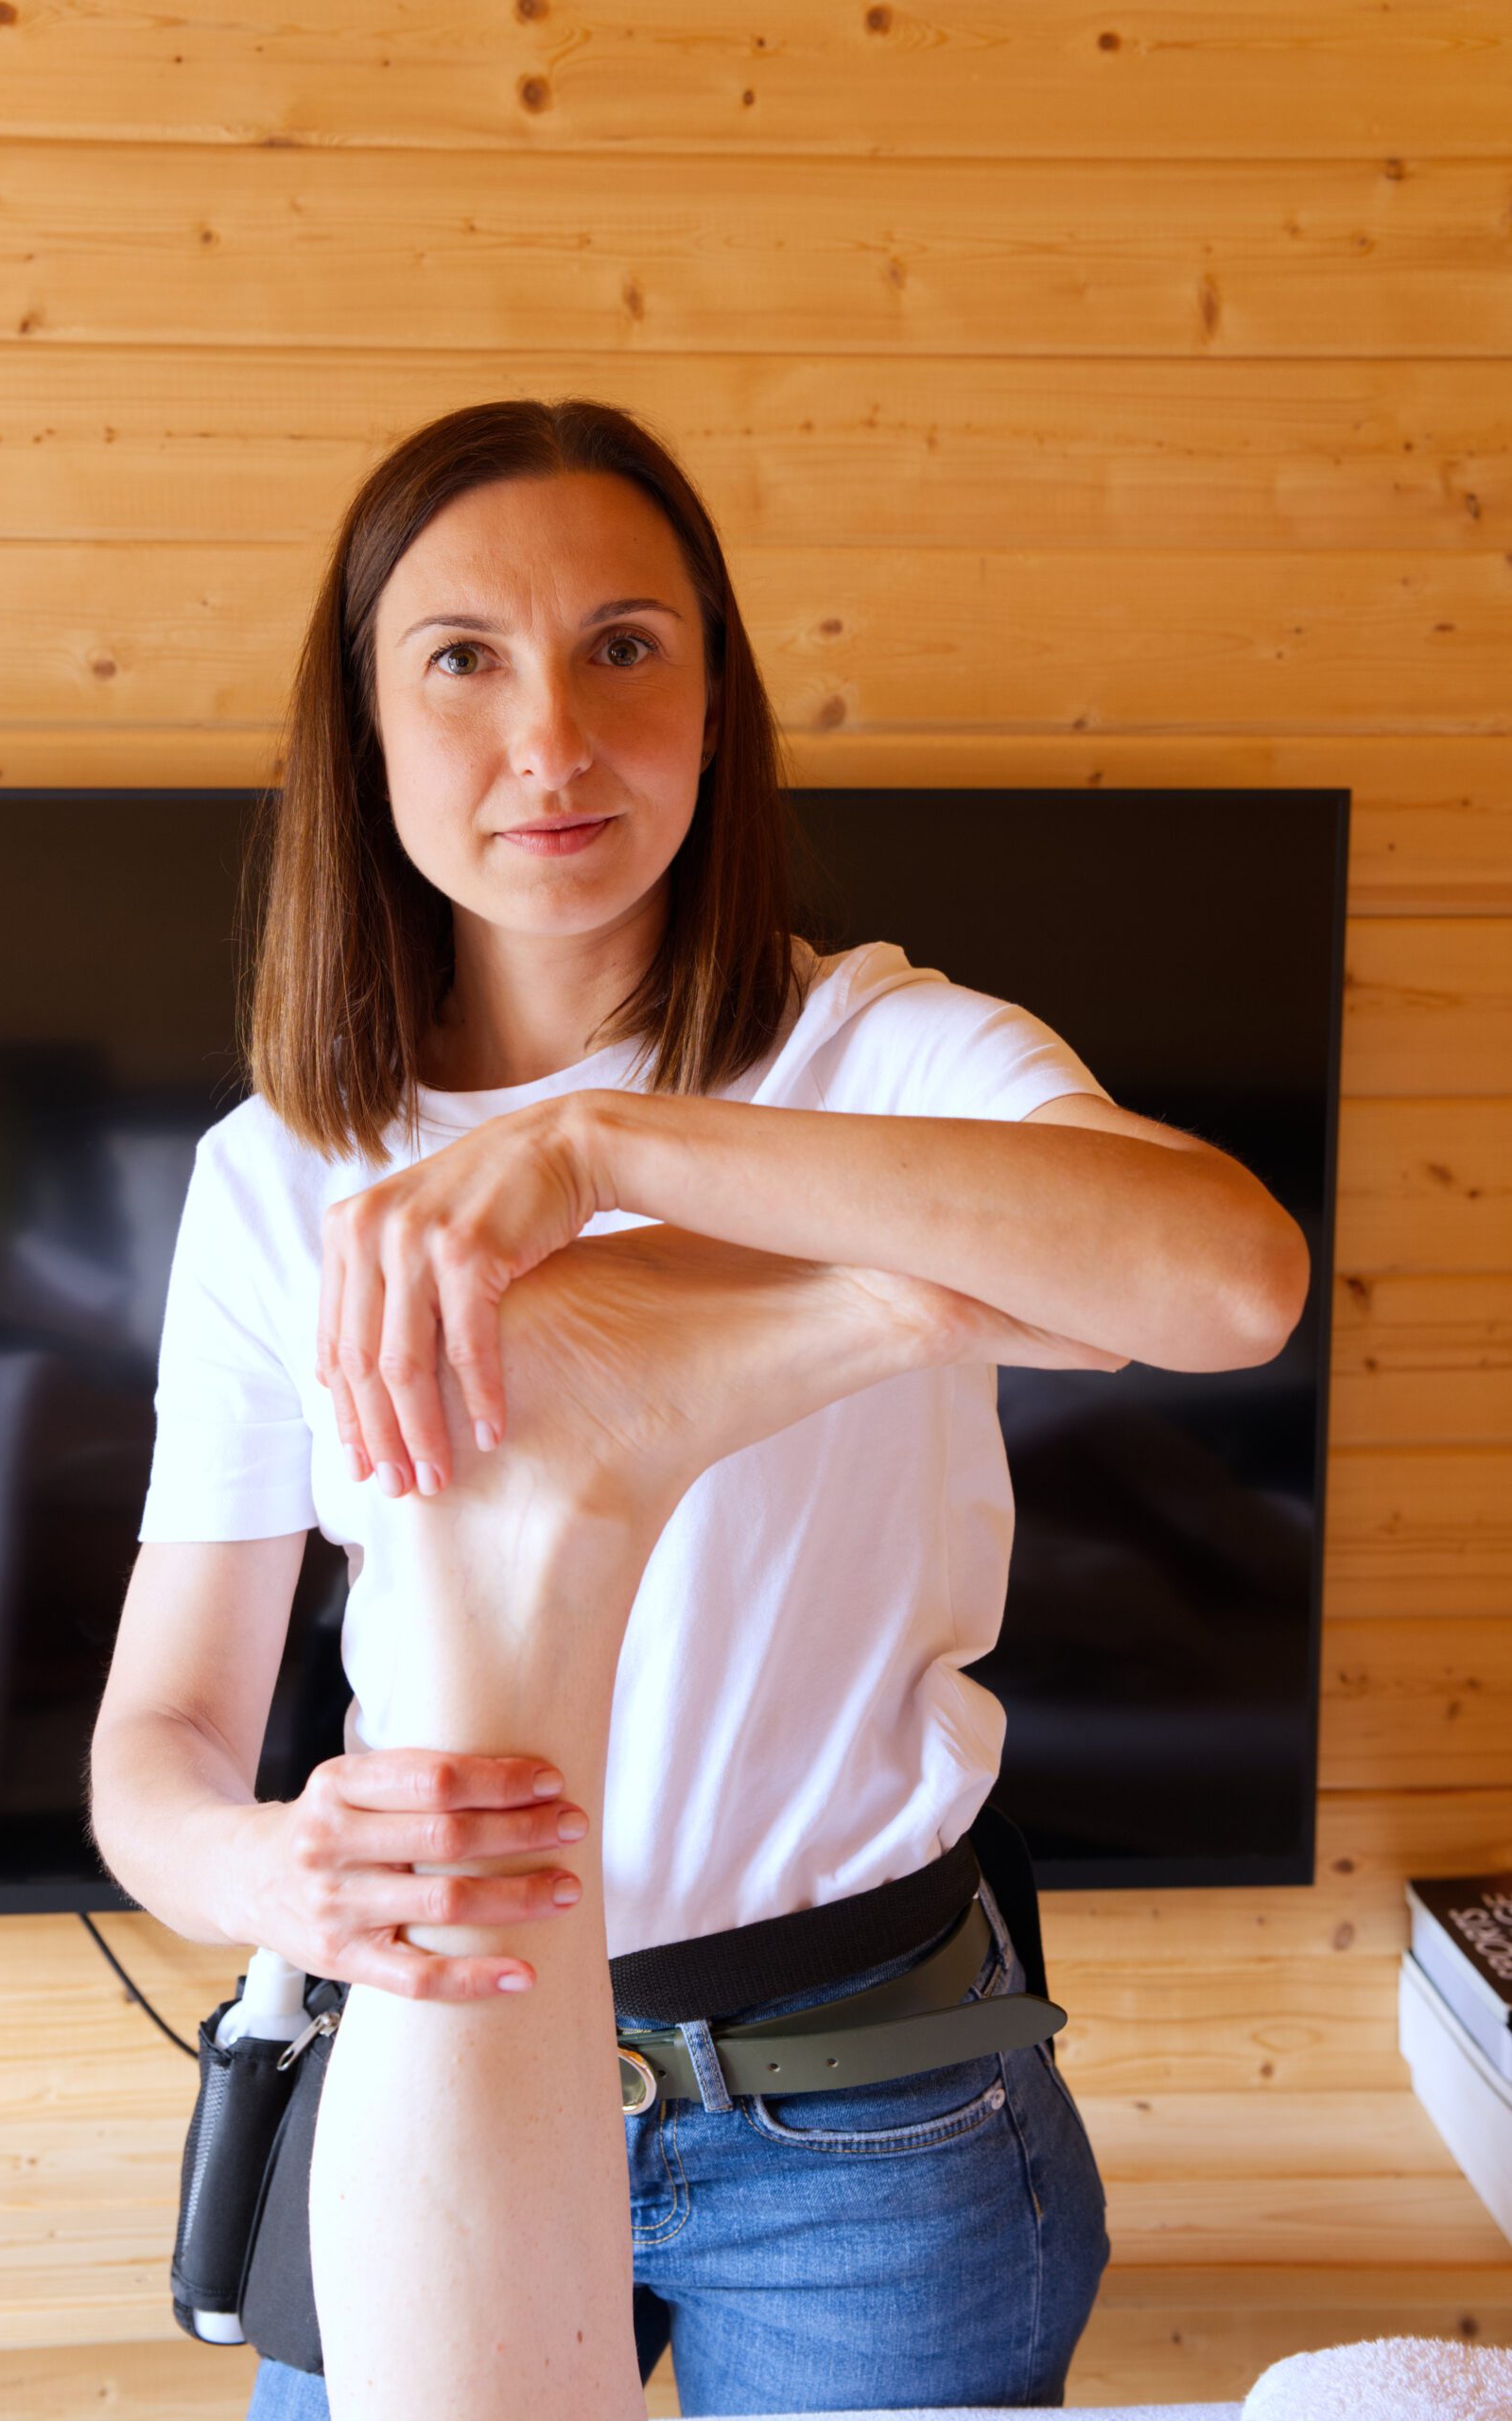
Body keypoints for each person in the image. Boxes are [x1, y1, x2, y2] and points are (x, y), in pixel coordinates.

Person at [88, 396, 1311, 2419]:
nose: (551, 737)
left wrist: (601, 1147)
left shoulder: (885, 1045)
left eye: (623, 648)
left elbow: (1223, 1277)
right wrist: (265, 1873)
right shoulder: (275, 1171)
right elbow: (164, 1738)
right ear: (366, 723)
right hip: (434, 2030)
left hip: (855, 2088)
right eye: (462, 658)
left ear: (718, 702)